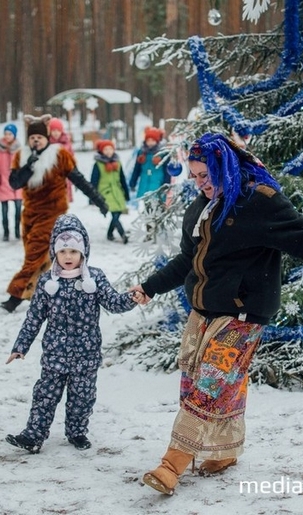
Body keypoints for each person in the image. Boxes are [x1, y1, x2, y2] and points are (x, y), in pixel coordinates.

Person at [129, 133, 303, 496]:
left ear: (224, 167)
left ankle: (173, 463)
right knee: (205, 384)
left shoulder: (258, 203)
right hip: (203, 313)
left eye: (206, 175)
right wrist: (150, 287)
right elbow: (187, 260)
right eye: (194, 176)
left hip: (242, 314)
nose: (200, 183)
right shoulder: (200, 208)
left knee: (209, 386)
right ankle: (225, 450)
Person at [5, 214, 138, 453]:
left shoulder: (94, 278)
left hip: (86, 355)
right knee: (44, 395)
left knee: (82, 397)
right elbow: (34, 318)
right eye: (63, 250)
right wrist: (20, 347)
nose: (68, 256)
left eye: (74, 251)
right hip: (55, 354)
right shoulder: (47, 282)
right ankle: (33, 436)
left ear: (83, 252)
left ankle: (77, 432)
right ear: (55, 251)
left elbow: (114, 303)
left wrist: (132, 298)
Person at [1, 114, 109, 313]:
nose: (35, 140)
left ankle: (15, 296)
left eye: (39, 137)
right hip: (30, 214)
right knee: (38, 256)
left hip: (52, 212)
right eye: (32, 137)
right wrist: (29, 165)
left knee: (34, 254)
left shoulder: (59, 155)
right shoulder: (22, 155)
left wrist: (98, 199)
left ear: (47, 137)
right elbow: (15, 183)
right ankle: (43, 292)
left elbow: (78, 179)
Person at [91, 139, 130, 243]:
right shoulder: (98, 165)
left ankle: (109, 234)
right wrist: (92, 197)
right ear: (101, 151)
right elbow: (93, 181)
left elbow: (122, 179)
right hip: (105, 193)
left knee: (118, 212)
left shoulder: (118, 163)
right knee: (114, 214)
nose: (108, 151)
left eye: (110, 149)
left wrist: (126, 193)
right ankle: (123, 234)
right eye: (105, 149)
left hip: (117, 191)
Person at [129, 126, 171, 199]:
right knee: (144, 204)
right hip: (144, 184)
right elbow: (137, 169)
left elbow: (167, 171)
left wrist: (166, 184)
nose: (150, 143)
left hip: (158, 183)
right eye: (148, 140)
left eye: (152, 140)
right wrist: (133, 182)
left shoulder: (163, 153)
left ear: (157, 141)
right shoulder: (141, 153)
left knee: (156, 203)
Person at [0, 123, 22, 241]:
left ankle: (17, 230)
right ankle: (6, 232)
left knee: (18, 210)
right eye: (6, 134)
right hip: (3, 183)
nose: (7, 136)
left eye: (10, 134)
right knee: (4, 211)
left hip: (17, 184)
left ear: (14, 135)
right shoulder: (0, 150)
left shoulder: (19, 150)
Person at [49, 117, 75, 203]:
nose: (56, 133)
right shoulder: (47, 144)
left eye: (58, 130)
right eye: (53, 130)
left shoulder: (67, 143)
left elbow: (71, 157)